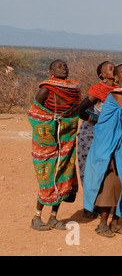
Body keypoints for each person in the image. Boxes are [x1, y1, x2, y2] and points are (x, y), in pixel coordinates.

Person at [83, 64, 122, 237]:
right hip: (109, 149)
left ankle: (116, 222)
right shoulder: (111, 97)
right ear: (115, 79)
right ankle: (102, 224)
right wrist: (106, 154)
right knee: (109, 186)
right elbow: (103, 128)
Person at [28, 59, 81, 231]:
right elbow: (35, 113)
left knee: (63, 179)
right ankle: (36, 218)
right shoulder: (46, 90)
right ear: (51, 72)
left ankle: (53, 217)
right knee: (48, 181)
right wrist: (52, 122)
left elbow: (74, 114)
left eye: (65, 66)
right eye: (59, 66)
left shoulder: (73, 92)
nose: (63, 68)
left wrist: (64, 126)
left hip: (65, 143)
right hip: (47, 144)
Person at [77, 61, 115, 218]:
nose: (114, 69)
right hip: (90, 134)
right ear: (102, 75)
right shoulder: (98, 89)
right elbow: (80, 110)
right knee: (89, 170)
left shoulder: (119, 91)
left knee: (106, 169)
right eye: (110, 68)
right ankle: (89, 206)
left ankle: (100, 203)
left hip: (108, 136)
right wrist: (96, 119)